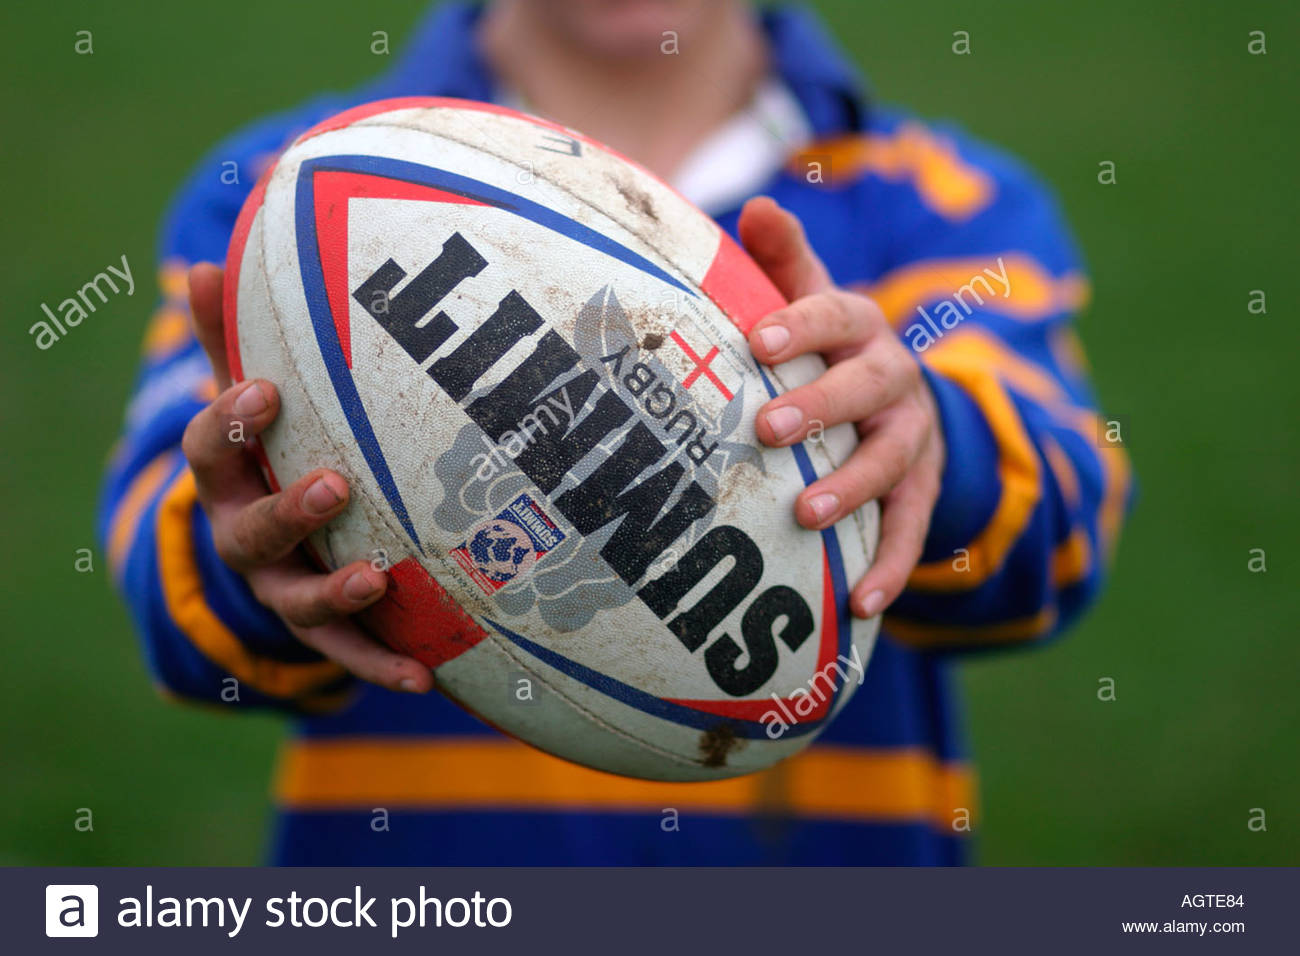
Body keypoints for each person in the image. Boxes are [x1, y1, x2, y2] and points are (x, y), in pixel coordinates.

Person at [99, 0, 1131, 865]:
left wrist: (926, 448)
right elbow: (166, 572)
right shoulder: (289, 192)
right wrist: (257, 558)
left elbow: (1064, 531)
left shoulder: (935, 204)